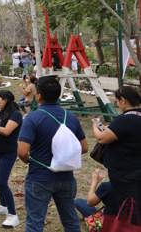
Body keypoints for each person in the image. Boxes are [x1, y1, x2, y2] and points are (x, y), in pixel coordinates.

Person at [17, 75, 88, 232]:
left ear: (39, 95)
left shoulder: (32, 118)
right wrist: (64, 155)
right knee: (71, 221)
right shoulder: (70, 117)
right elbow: (84, 147)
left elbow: (22, 151)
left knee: (35, 223)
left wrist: (30, 160)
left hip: (39, 176)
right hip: (66, 177)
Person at [92, 85, 141, 220]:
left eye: (117, 101)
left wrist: (95, 127)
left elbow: (102, 139)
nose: (117, 104)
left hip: (125, 174)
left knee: (127, 206)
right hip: (137, 170)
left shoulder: (125, 119)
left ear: (123, 100)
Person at [0, 90, 22, 228]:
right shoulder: (1, 112)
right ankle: (3, 205)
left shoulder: (16, 114)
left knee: (3, 182)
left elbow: (7, 131)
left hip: (8, 153)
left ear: (7, 100)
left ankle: (13, 215)